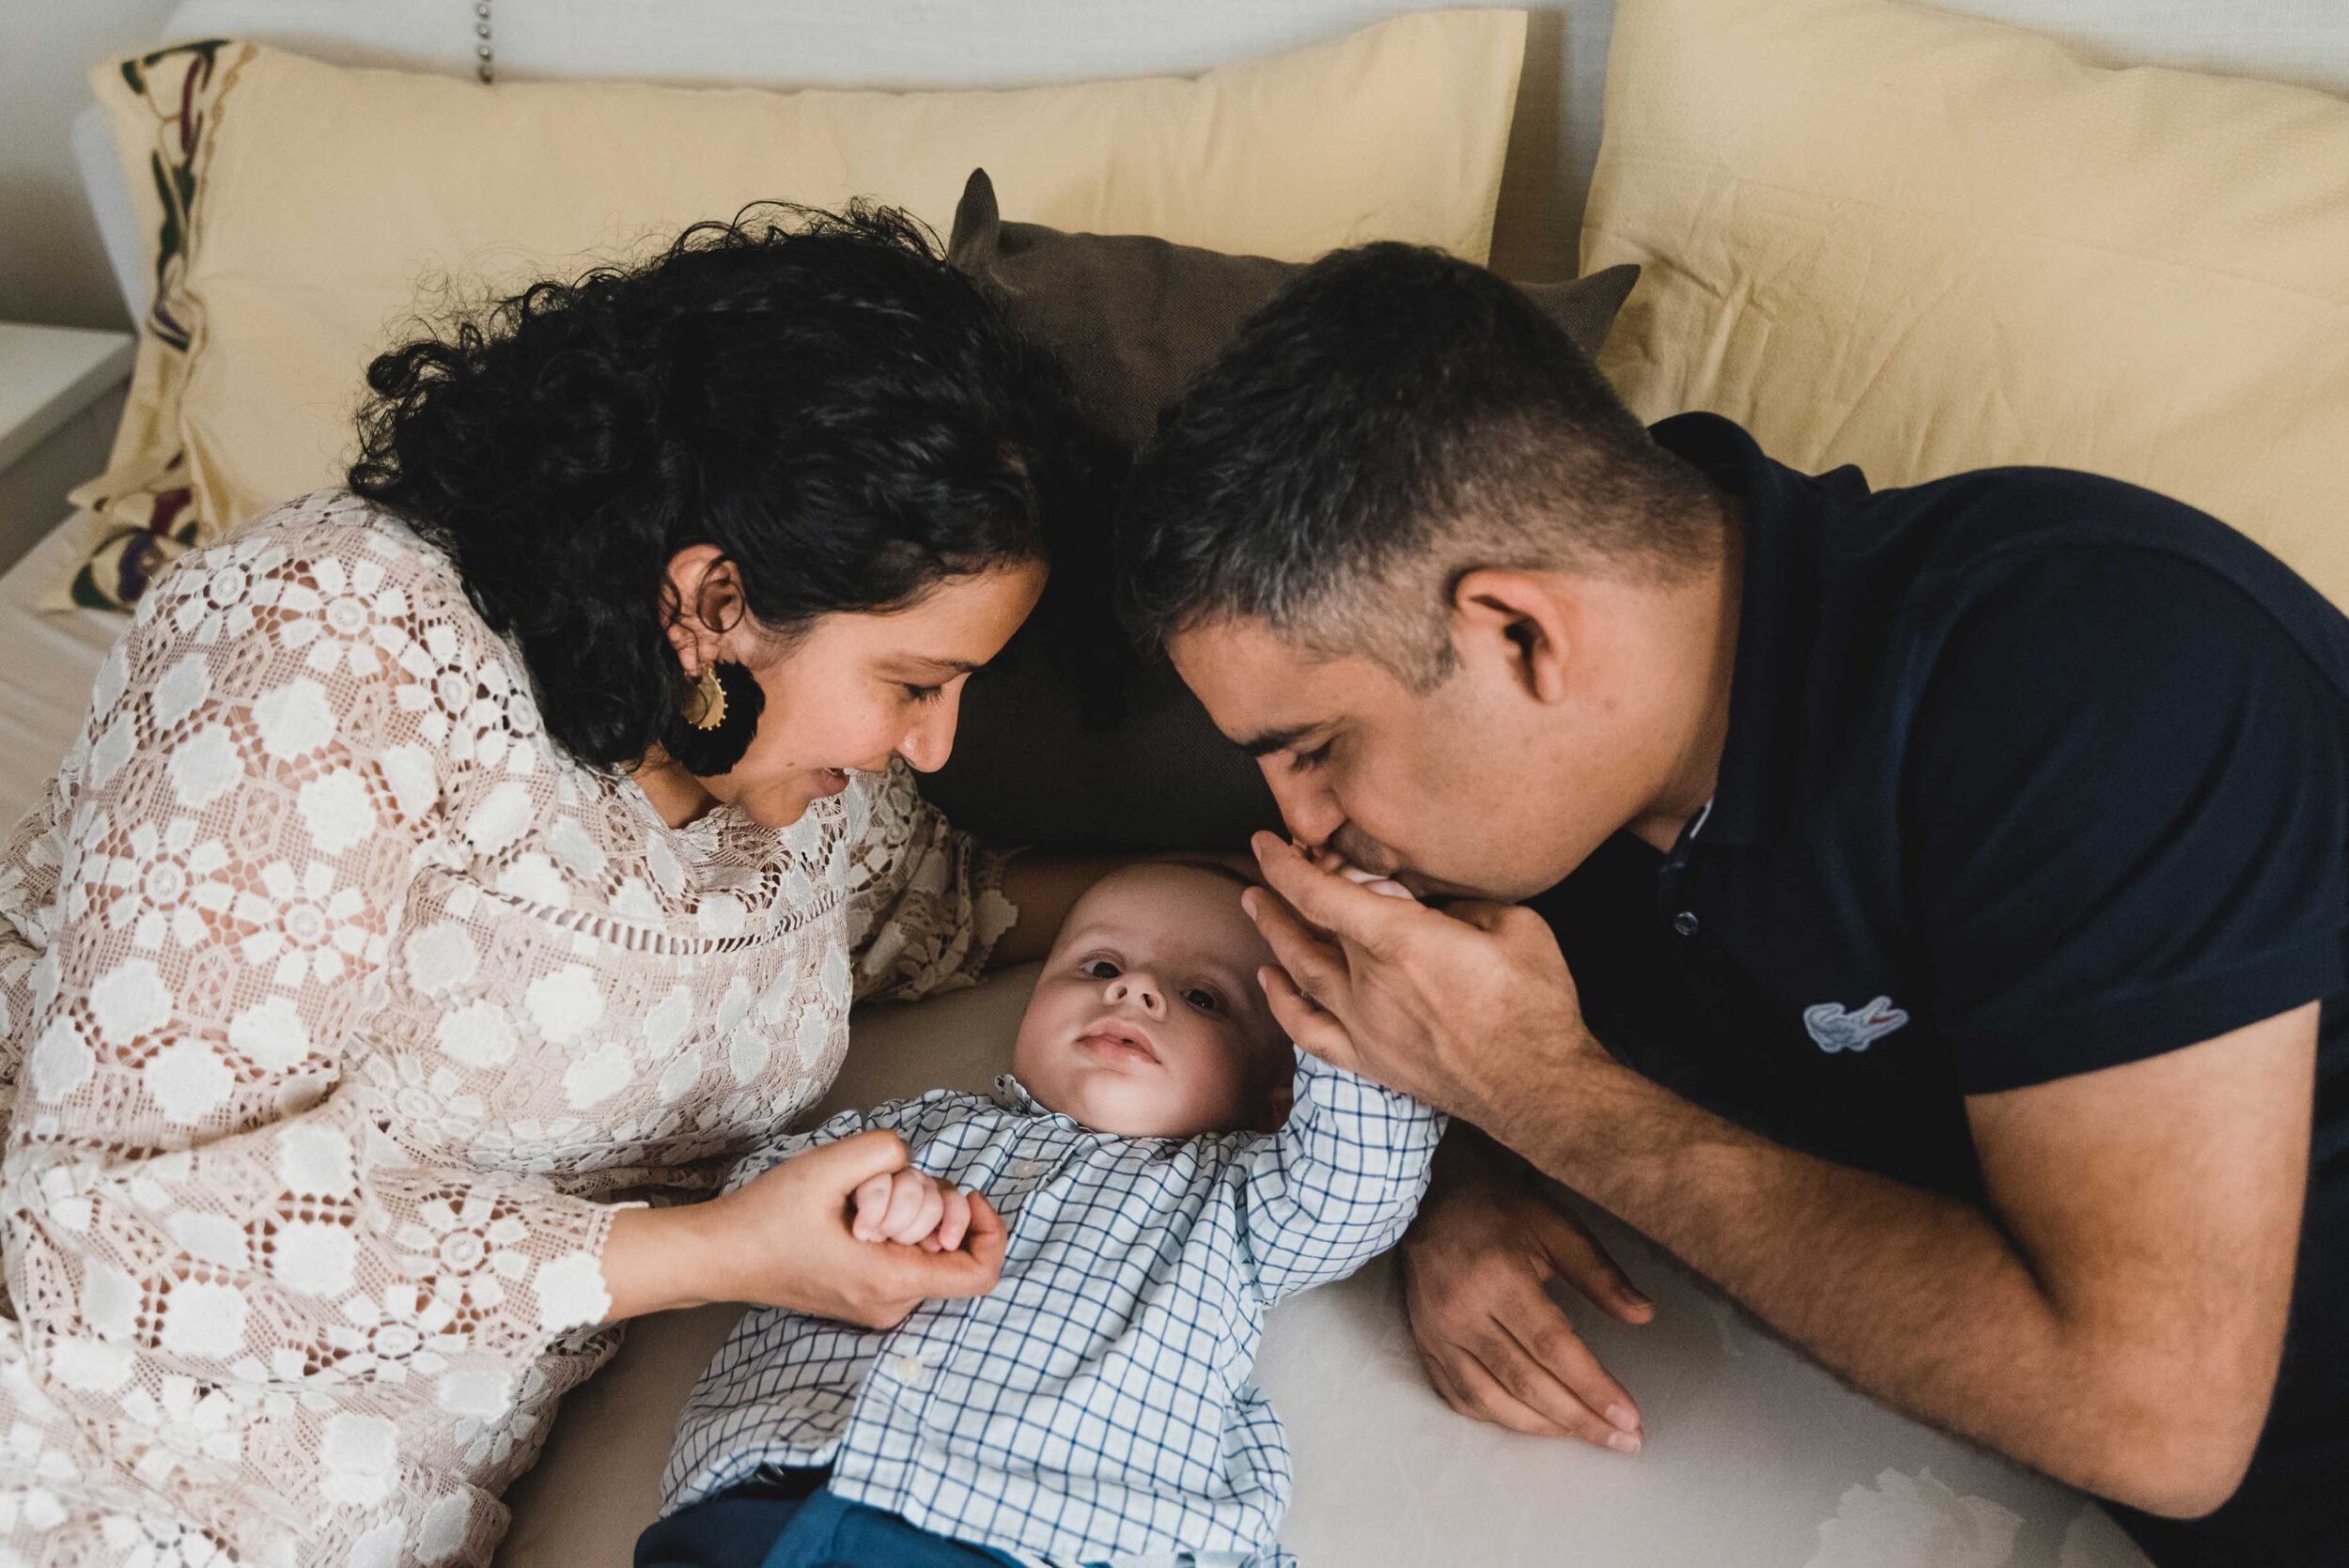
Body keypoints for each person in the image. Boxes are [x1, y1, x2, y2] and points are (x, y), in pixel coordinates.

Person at [1114, 241, 2348, 1568]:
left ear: (1521, 634)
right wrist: (1450, 1172)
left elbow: (2155, 1421)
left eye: (1313, 748)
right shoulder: (1555, 798)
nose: (1300, 822)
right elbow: (1383, 1009)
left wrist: (1534, 1090)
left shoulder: (2100, 676)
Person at [0, 203, 1126, 1565]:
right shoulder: (331, 637)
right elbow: (100, 1229)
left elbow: (953, 903)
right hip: (73, 1450)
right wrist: (715, 1250)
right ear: (712, 601)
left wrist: (1287, 898)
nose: (934, 745)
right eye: (912, 683)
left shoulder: (804, 799)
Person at [637, 861, 1441, 1568]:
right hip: (755, 1506)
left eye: (1201, 996)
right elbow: (752, 1199)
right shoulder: (912, 1130)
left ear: (1279, 1097)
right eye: (1098, 964)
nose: (1134, 988)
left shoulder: (1240, 1199)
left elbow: (1362, 1180)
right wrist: (859, 1201)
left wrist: (1361, 962)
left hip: (1034, 1530)